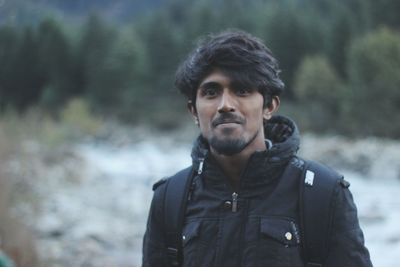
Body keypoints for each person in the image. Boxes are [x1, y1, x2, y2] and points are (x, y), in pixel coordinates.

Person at [142, 30, 372, 267]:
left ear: (269, 106)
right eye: (211, 92)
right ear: (193, 111)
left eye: (242, 90)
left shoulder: (323, 194)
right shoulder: (170, 199)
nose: (226, 105)